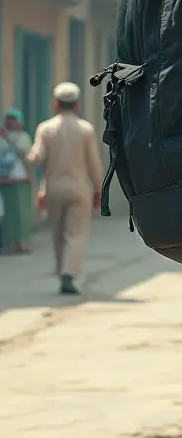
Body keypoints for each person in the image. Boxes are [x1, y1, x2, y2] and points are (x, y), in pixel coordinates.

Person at [26, 83, 103, 294]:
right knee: (75, 234)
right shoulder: (85, 129)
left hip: (53, 188)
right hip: (79, 189)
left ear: (55, 104)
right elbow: (93, 163)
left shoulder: (45, 128)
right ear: (77, 104)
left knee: (58, 233)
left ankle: (62, 271)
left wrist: (23, 152)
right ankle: (69, 273)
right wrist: (98, 188)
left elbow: (36, 156)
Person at [0, 107, 35, 254]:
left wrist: (29, 176)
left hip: (20, 179)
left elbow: (25, 156)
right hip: (5, 180)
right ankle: (9, 243)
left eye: (14, 119)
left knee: (22, 214)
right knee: (7, 214)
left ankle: (22, 243)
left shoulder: (23, 137)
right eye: (9, 119)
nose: (11, 122)